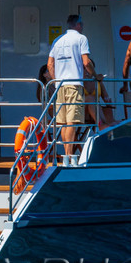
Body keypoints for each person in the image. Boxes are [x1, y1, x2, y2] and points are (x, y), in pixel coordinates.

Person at [47, 14, 96, 159]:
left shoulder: (57, 40)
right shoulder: (81, 38)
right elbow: (86, 62)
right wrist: (95, 75)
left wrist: (56, 81)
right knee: (72, 121)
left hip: (60, 86)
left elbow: (50, 64)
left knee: (62, 122)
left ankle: (66, 155)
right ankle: (69, 156)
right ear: (79, 25)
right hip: (74, 85)